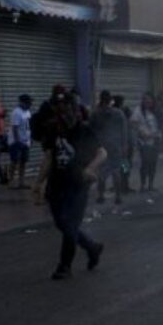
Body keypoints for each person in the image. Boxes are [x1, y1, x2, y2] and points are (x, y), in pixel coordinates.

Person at [45, 94, 106, 280]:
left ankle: (64, 266)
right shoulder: (53, 130)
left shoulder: (84, 130)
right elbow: (48, 158)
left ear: (75, 111)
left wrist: (89, 169)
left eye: (67, 110)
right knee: (61, 222)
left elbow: (102, 153)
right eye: (60, 111)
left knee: (69, 223)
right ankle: (91, 246)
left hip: (78, 184)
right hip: (56, 184)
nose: (63, 115)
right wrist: (39, 183)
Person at [90, 90, 127, 205]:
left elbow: (91, 130)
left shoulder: (96, 113)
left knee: (102, 171)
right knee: (116, 170)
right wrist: (124, 145)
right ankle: (118, 197)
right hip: (116, 145)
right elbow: (124, 130)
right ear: (110, 100)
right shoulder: (118, 113)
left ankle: (101, 196)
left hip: (102, 146)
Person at [131, 93, 161, 192]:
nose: (147, 102)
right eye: (145, 100)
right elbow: (133, 122)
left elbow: (162, 124)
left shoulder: (156, 111)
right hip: (144, 143)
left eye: (149, 100)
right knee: (145, 164)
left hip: (155, 141)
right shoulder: (138, 111)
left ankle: (151, 185)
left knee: (153, 164)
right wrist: (141, 132)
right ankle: (143, 185)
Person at [8, 94, 33, 189]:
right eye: (28, 102)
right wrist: (17, 141)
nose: (30, 104)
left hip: (25, 141)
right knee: (14, 161)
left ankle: (21, 181)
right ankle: (11, 181)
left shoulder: (27, 112)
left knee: (23, 162)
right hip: (16, 142)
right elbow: (15, 128)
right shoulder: (16, 113)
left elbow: (28, 127)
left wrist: (29, 139)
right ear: (22, 102)